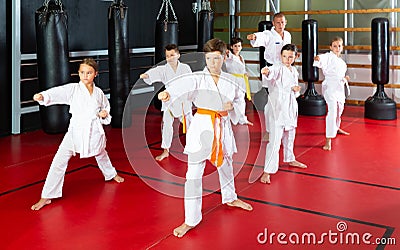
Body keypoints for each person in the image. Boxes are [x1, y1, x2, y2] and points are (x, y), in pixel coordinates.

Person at [158, 38, 253, 238]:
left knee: (226, 164)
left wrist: (237, 113)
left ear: (225, 57)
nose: (212, 62)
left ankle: (230, 197)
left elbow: (239, 101)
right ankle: (190, 219)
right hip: (201, 126)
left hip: (222, 126)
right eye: (209, 58)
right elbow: (180, 87)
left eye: (217, 58)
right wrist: (166, 94)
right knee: (193, 174)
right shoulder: (197, 78)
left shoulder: (232, 81)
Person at [31, 58, 124, 211]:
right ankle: (47, 195)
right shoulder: (74, 89)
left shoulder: (99, 92)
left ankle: (111, 174)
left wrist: (104, 113)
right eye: (82, 72)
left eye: (89, 72)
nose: (85, 75)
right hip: (75, 131)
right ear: (78, 74)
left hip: (94, 130)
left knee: (101, 153)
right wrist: (43, 96)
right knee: (59, 161)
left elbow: (106, 106)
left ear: (95, 74)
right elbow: (58, 92)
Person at [260, 44, 307, 185]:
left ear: (296, 57)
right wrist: (266, 71)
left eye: (290, 56)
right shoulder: (277, 68)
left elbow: (294, 90)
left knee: (290, 135)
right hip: (278, 108)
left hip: (290, 107)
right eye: (285, 56)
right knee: (275, 141)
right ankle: (267, 171)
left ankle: (290, 157)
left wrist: (296, 89)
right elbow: (271, 73)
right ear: (281, 56)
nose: (287, 59)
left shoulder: (294, 71)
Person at [140, 44, 193, 161]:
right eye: (167, 56)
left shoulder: (185, 68)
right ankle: (165, 150)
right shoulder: (164, 69)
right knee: (167, 125)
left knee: (190, 125)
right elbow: (155, 72)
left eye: (172, 55)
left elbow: (191, 83)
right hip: (169, 100)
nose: (170, 58)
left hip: (183, 100)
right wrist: (147, 75)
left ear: (178, 55)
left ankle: (193, 147)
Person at [247, 12, 292, 142]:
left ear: (286, 22)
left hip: (285, 69)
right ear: (273, 23)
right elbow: (261, 37)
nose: (280, 25)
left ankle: (283, 128)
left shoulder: (288, 35)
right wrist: (254, 36)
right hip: (271, 69)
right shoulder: (269, 34)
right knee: (271, 102)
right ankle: (268, 130)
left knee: (284, 100)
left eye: (283, 22)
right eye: (278, 22)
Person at [313, 36, 350, 151]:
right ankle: (328, 139)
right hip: (330, 87)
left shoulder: (342, 62)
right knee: (332, 111)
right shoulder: (328, 56)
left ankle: (337, 127)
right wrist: (318, 58)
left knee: (340, 109)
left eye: (339, 46)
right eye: (335, 46)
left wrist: (345, 78)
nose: (337, 48)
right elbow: (321, 58)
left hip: (339, 87)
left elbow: (340, 74)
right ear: (331, 47)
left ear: (342, 47)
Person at [225, 37, 253, 125]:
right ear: (231, 47)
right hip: (232, 80)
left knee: (241, 100)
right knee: (229, 99)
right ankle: (227, 118)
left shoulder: (241, 57)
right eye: (235, 46)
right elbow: (225, 52)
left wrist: (245, 73)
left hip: (241, 81)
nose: (237, 48)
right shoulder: (230, 56)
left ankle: (242, 119)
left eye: (239, 46)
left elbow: (242, 69)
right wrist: (226, 51)